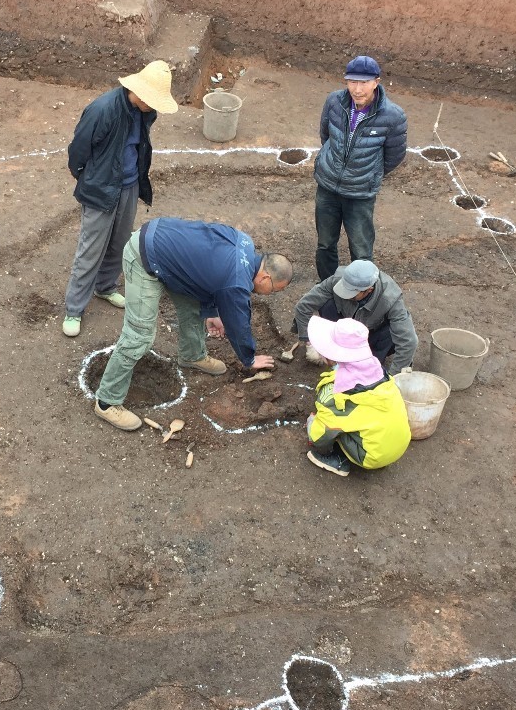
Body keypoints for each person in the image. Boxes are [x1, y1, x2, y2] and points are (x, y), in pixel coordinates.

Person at [94, 217, 293, 431]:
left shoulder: (244, 242)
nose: (270, 294)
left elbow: (205, 271)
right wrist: (249, 358)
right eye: (274, 290)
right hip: (145, 256)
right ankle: (107, 402)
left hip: (167, 245)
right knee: (139, 335)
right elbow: (238, 324)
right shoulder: (237, 281)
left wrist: (211, 311)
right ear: (264, 278)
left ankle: (192, 355)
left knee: (193, 307)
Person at [63, 60, 179, 338]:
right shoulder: (103, 109)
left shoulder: (143, 111)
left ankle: (105, 287)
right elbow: (78, 150)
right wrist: (88, 179)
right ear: (139, 93)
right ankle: (74, 309)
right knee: (91, 249)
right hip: (101, 188)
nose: (155, 106)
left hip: (128, 186)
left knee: (120, 241)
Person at [312, 55, 408, 279]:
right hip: (327, 187)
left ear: (376, 82)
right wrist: (333, 164)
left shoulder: (393, 116)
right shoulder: (334, 101)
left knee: (362, 251)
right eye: (352, 82)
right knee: (325, 244)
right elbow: (326, 135)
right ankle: (328, 287)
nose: (357, 89)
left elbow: (394, 155)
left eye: (364, 82)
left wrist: (369, 175)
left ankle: (362, 295)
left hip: (360, 194)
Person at [304, 315, 411, 476]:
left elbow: (318, 438)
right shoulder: (378, 370)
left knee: (327, 429)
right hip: (399, 444)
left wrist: (312, 424)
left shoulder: (337, 395)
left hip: (373, 456)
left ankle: (339, 462)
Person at [293, 258, 418, 374]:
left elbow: (409, 341)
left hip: (371, 334)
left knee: (390, 334)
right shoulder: (338, 279)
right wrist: (309, 342)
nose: (346, 293)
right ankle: (336, 348)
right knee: (326, 304)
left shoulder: (390, 298)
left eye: (352, 292)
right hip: (344, 326)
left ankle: (371, 361)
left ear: (369, 289)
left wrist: (393, 378)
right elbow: (304, 306)